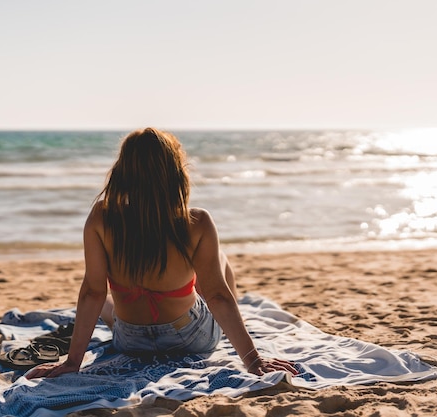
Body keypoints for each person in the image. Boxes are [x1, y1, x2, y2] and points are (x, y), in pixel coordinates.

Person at [27, 127, 297, 379]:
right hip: (189, 338)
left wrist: (72, 362)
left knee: (107, 301)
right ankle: (233, 319)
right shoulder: (197, 222)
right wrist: (252, 360)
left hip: (131, 341)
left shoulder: (102, 216)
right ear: (175, 172)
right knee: (218, 263)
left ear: (122, 171)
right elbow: (217, 295)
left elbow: (92, 292)